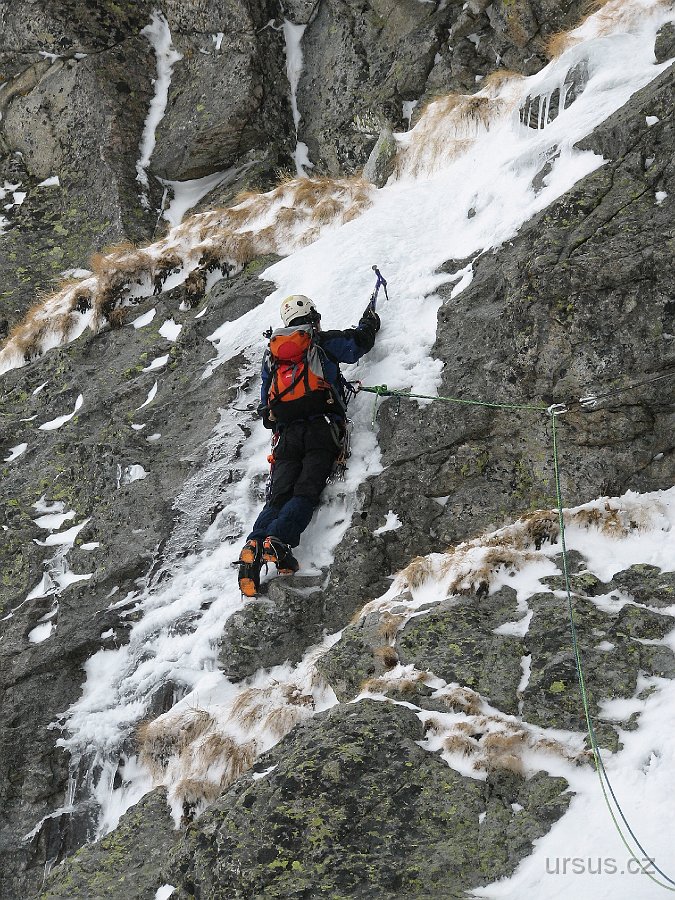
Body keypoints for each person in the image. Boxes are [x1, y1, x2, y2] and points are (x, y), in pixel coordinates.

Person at [237, 293, 380, 596]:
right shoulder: (320, 342)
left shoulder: (273, 356)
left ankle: (254, 546)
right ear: (313, 317)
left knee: (278, 497)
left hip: (286, 438)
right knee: (305, 491)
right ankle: (278, 540)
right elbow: (356, 345)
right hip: (321, 430)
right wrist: (370, 322)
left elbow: (266, 408)